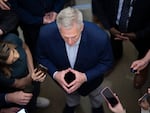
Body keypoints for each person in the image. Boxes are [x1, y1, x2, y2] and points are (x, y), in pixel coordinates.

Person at [37, 7, 113, 113]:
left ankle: (97, 107)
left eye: (74, 37)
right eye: (65, 37)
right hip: (66, 82)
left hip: (93, 81)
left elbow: (107, 62)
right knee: (71, 98)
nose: (70, 42)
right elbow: (42, 57)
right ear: (59, 29)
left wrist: (85, 77)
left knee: (96, 97)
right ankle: (71, 105)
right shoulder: (45, 34)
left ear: (81, 27)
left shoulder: (100, 37)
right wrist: (55, 74)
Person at [92, 0, 150, 89]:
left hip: (141, 30)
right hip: (114, 25)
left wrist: (138, 34)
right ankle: (116, 56)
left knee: (144, 49)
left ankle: (142, 67)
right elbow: (97, 5)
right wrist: (109, 27)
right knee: (114, 44)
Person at [0, 34, 49, 112]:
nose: (17, 56)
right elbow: (20, 84)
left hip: (30, 73)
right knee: (26, 102)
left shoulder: (12, 38)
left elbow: (26, 48)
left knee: (36, 89)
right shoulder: (2, 74)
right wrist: (32, 77)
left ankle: (35, 100)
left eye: (14, 51)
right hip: (22, 87)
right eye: (12, 61)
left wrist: (32, 71)